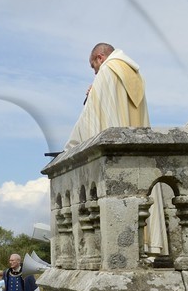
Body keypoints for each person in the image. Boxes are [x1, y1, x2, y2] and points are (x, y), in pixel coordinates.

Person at [65, 42, 169, 259]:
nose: (95, 73)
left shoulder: (107, 73)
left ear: (100, 58)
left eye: (94, 67)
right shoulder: (133, 73)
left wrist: (71, 146)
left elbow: (91, 122)